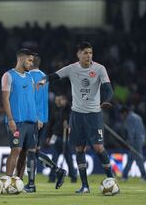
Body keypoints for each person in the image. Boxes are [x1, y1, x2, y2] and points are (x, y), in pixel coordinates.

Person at [39, 41, 114, 194]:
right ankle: (85, 186)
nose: (88, 56)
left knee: (99, 148)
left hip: (94, 115)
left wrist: (106, 101)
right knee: (79, 149)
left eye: (90, 53)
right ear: (78, 54)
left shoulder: (100, 69)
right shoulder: (72, 69)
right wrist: (44, 80)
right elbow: (55, 75)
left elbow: (109, 90)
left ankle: (112, 180)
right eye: (85, 53)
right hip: (77, 115)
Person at [15, 55, 66, 192]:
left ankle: (31, 184)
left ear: (30, 63)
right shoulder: (45, 76)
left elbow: (33, 99)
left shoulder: (29, 76)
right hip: (44, 118)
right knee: (34, 151)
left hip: (34, 119)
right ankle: (57, 170)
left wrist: (35, 117)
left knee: (30, 152)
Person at [46, 94, 77, 183]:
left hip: (66, 137)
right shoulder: (55, 108)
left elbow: (74, 122)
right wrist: (48, 135)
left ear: (64, 100)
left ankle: (73, 176)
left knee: (69, 158)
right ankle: (52, 177)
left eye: (58, 100)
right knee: (54, 158)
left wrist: (68, 125)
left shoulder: (70, 109)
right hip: (56, 136)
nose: (57, 102)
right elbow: (51, 122)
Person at [120, 106, 146, 181]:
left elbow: (131, 132)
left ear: (125, 113)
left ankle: (145, 176)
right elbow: (143, 129)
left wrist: (129, 141)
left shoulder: (129, 118)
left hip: (136, 140)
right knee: (131, 158)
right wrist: (144, 139)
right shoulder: (137, 116)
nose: (121, 116)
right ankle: (124, 176)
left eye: (122, 114)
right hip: (141, 139)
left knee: (138, 158)